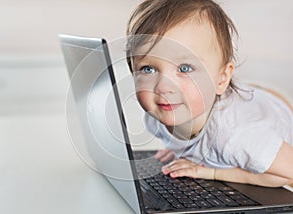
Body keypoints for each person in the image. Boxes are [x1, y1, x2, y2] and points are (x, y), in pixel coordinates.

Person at [125, 0, 293, 187]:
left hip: (279, 108)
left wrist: (210, 171)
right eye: (148, 69)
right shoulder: (157, 114)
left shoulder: (236, 135)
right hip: (239, 96)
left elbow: (289, 173)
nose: (163, 87)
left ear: (222, 79)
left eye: (185, 68)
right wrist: (179, 149)